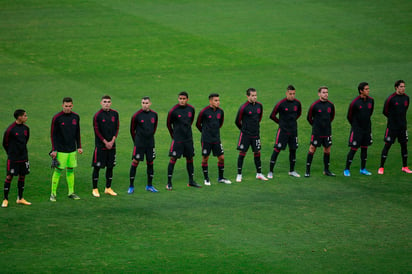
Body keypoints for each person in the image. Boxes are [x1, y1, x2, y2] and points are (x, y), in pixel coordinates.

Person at [49, 97, 83, 202]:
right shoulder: (57, 118)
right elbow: (53, 134)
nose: (67, 108)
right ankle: (53, 194)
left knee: (71, 170)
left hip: (72, 149)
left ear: (72, 106)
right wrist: (54, 149)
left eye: (69, 106)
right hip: (61, 150)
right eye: (66, 106)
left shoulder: (76, 117)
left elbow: (78, 132)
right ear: (62, 105)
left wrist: (79, 146)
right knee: (58, 170)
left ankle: (71, 192)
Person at [166, 91, 200, 190]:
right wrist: (173, 135)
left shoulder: (191, 109)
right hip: (178, 139)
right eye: (180, 99)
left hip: (188, 139)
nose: (182, 100)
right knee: (173, 159)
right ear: (178, 99)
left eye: (184, 99)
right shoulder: (173, 111)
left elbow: (191, 121)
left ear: (187, 99)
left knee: (190, 158)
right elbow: (168, 124)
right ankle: (169, 183)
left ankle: (191, 181)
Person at [196, 93, 231, 186]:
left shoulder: (220, 112)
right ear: (210, 101)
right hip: (206, 140)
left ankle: (221, 178)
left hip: (216, 139)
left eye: (218, 100)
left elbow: (220, 124)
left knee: (221, 158)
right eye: (216, 100)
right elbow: (198, 124)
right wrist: (205, 133)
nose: (218, 102)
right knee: (205, 158)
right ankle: (206, 179)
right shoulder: (204, 111)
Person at [268, 85, 302, 179]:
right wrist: (281, 123)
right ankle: (270, 171)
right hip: (283, 131)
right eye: (290, 94)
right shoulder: (281, 104)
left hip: (293, 131)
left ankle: (292, 171)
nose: (292, 95)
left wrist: (292, 122)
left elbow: (299, 113)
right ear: (286, 93)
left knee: (293, 150)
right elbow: (272, 115)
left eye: (294, 94)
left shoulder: (297, 103)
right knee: (277, 150)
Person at [378, 80, 412, 174]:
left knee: (404, 146)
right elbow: (385, 111)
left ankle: (405, 167)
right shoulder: (391, 98)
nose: (403, 88)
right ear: (396, 87)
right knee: (387, 145)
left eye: (404, 86)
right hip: (392, 127)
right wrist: (392, 119)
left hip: (402, 127)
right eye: (401, 87)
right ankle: (381, 167)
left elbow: (405, 109)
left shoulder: (406, 98)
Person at [235, 88, 268, 182]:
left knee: (257, 152)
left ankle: (259, 173)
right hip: (245, 135)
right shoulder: (243, 107)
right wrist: (244, 130)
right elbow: (237, 121)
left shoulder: (259, 106)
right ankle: (239, 174)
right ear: (248, 96)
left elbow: (259, 118)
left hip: (256, 135)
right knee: (242, 153)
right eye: (252, 95)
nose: (255, 97)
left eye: (255, 95)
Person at [128, 96, 159, 194]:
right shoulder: (136, 115)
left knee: (150, 163)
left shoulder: (154, 115)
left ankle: (149, 185)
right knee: (135, 162)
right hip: (139, 144)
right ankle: (131, 186)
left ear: (150, 103)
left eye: (146, 103)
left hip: (150, 143)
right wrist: (136, 141)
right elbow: (132, 130)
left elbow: (154, 128)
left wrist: (149, 137)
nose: (145, 105)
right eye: (143, 103)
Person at [2, 109, 31, 208]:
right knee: (9, 177)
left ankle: (20, 198)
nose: (26, 117)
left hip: (23, 157)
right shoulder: (10, 129)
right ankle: (5, 199)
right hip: (13, 158)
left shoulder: (26, 128)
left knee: (22, 176)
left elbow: (25, 140)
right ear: (19, 117)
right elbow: (5, 143)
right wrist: (11, 153)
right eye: (25, 116)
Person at [344, 82, 374, 176]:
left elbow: (370, 112)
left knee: (365, 149)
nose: (368, 91)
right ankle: (347, 169)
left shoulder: (371, 101)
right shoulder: (355, 103)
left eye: (368, 89)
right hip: (357, 130)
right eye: (366, 89)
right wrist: (355, 126)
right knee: (354, 149)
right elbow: (349, 116)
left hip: (367, 129)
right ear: (361, 91)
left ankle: (363, 169)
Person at [91, 95, 119, 197]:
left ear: (111, 103)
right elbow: (97, 131)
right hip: (100, 146)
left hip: (112, 146)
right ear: (101, 103)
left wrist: (112, 140)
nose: (106, 103)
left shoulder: (115, 114)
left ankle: (108, 188)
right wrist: (105, 142)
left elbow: (117, 127)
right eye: (104, 101)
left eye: (108, 102)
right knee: (97, 167)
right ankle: (95, 189)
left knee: (110, 167)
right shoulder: (97, 115)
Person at [305, 86, 336, 177]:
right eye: (323, 92)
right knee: (312, 149)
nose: (326, 94)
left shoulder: (330, 105)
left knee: (327, 150)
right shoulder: (314, 105)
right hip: (317, 132)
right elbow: (309, 118)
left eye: (326, 92)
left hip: (327, 132)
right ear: (319, 94)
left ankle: (326, 170)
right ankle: (307, 171)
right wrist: (315, 126)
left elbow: (332, 117)